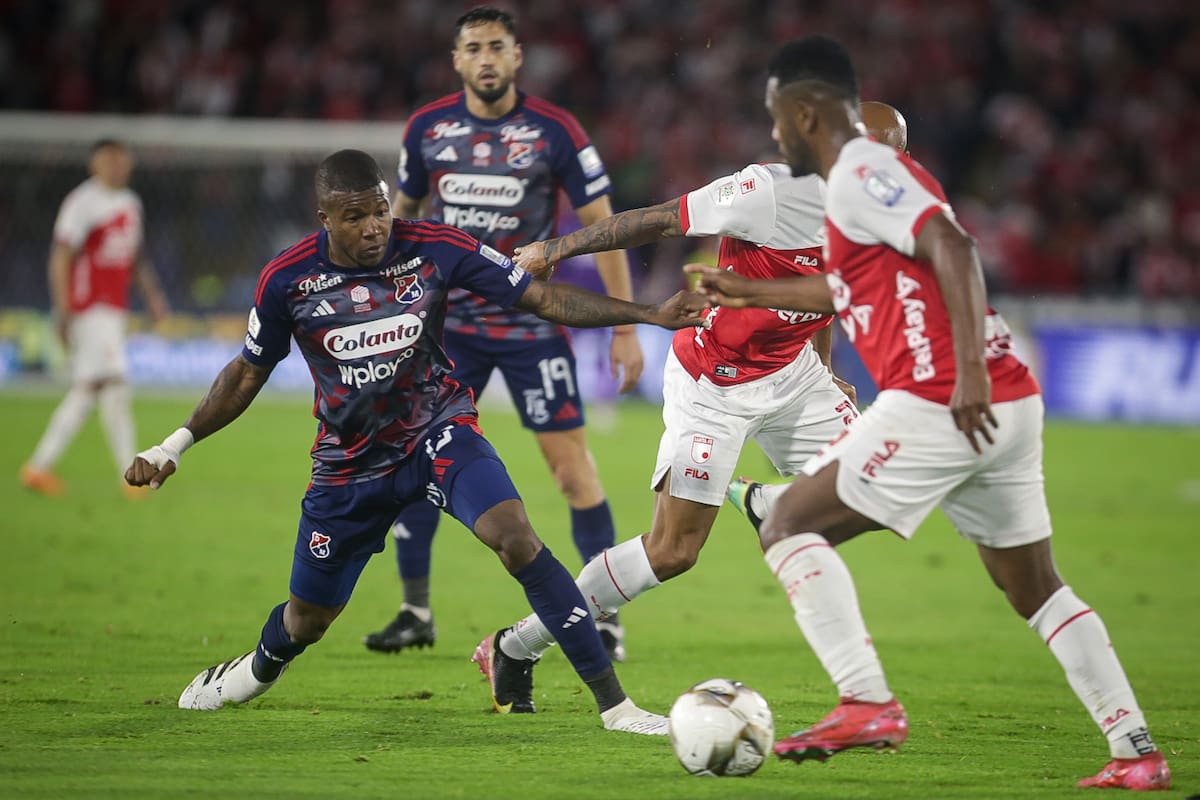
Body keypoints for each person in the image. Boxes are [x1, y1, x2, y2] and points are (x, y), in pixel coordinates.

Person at [685, 36, 1170, 791]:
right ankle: (1136, 750)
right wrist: (746, 292)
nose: (774, 136)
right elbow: (850, 291)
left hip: (944, 395)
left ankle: (867, 701)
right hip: (1008, 404)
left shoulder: (860, 169)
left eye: (778, 118)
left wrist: (966, 372)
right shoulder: (867, 188)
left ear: (805, 112)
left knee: (787, 525)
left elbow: (955, 245)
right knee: (1033, 586)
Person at [124, 149, 707, 734]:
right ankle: (253, 670)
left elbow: (539, 298)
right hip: (349, 466)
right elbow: (247, 374)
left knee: (517, 538)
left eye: (378, 210)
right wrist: (174, 445)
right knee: (308, 620)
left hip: (438, 429)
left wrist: (649, 313)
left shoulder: (434, 245)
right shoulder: (288, 279)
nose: (373, 226)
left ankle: (616, 707)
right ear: (324, 216)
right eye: (354, 216)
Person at [472, 104, 905, 715]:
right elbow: (654, 221)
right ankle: (517, 646)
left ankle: (767, 503)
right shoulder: (765, 191)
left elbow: (824, 299)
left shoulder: (884, 219)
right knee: (672, 552)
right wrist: (554, 248)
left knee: (881, 489)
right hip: (714, 381)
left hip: (795, 375)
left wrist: (826, 367)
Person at [364, 5, 644, 661]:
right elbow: (399, 223)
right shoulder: (427, 129)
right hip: (449, 328)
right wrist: (382, 304)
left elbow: (605, 225)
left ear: (518, 57)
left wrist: (626, 325)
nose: (486, 58)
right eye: (474, 48)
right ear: (457, 60)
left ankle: (604, 615)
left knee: (572, 472)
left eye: (497, 47)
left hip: (531, 325)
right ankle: (415, 610)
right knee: (419, 461)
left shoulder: (556, 132)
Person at [20, 138, 169, 499]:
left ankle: (39, 467)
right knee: (114, 385)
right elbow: (61, 256)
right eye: (109, 159)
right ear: (94, 164)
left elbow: (134, 257)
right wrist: (63, 307)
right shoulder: (82, 202)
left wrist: (153, 296)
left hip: (114, 306)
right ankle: (131, 477)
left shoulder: (131, 204)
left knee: (92, 390)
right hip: (90, 306)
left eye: (122, 158)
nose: (117, 165)